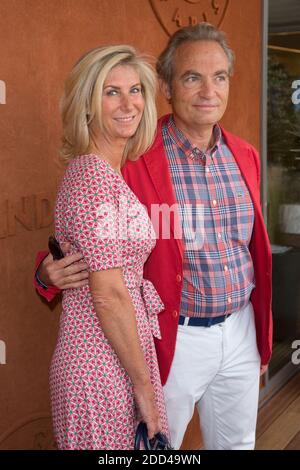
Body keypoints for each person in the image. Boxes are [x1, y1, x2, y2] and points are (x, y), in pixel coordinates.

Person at [35, 23, 272, 450]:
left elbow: (254, 252)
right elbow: (81, 238)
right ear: (165, 86)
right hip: (171, 339)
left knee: (239, 443)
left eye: (219, 77)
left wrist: (260, 336)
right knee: (158, 447)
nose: (208, 91)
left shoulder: (246, 155)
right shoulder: (133, 154)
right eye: (191, 77)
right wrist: (44, 274)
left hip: (240, 333)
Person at [40, 44, 169, 450]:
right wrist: (144, 388)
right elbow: (109, 294)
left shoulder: (107, 173)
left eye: (135, 90)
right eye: (111, 92)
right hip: (99, 362)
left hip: (119, 354)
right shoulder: (93, 177)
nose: (128, 103)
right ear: (88, 105)